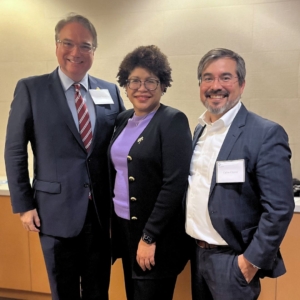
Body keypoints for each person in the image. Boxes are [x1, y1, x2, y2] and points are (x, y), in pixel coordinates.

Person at [4, 13, 125, 300]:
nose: (76, 52)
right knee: (64, 290)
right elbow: (15, 150)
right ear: (56, 45)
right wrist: (24, 205)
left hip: (100, 216)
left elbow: (120, 150)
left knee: (98, 291)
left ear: (94, 50)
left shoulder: (109, 91)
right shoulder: (31, 89)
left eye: (85, 45)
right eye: (68, 43)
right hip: (54, 213)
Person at [185, 48, 295, 300]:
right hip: (197, 254)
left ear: (242, 84)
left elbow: (279, 208)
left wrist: (250, 262)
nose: (216, 85)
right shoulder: (200, 130)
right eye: (207, 77)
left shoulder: (265, 133)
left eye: (226, 77)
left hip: (233, 260)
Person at [108, 45, 192, 300]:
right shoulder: (123, 119)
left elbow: (174, 185)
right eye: (134, 80)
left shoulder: (172, 121)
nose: (141, 88)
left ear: (163, 84)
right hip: (124, 229)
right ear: (125, 84)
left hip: (156, 234)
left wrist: (148, 237)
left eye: (151, 81)